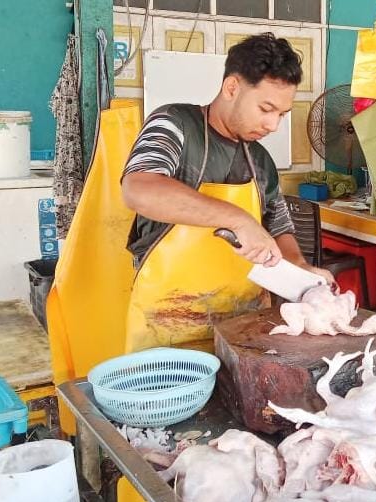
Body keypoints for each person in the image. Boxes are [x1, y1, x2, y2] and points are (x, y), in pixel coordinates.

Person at [119, 33, 333, 351]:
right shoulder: (174, 124)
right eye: (266, 108)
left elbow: (279, 229)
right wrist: (238, 220)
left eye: (281, 114)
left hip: (244, 330)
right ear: (232, 88)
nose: (273, 125)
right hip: (167, 327)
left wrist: (300, 270)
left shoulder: (260, 161)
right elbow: (139, 188)